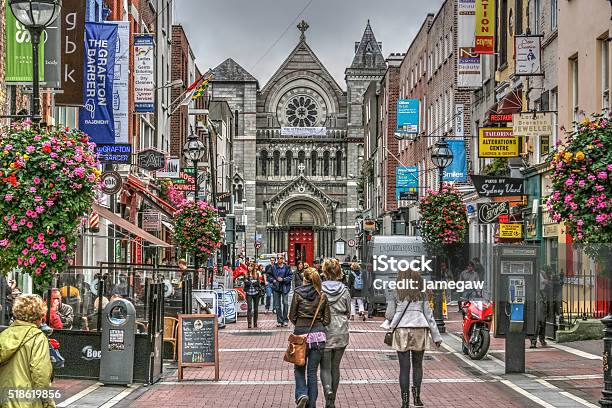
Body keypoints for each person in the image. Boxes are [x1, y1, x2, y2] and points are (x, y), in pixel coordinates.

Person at [383, 269, 442, 408]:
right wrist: (436, 336)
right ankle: (417, 398)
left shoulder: (397, 292)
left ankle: (405, 401)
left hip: (402, 330)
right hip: (419, 329)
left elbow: (389, 314)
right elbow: (429, 316)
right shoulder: (422, 293)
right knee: (417, 365)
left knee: (404, 368)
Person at [0, 294, 56, 408]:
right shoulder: (37, 338)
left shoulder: (4, 335)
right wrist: (47, 402)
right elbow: (40, 374)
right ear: (39, 316)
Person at [289, 268, 331, 408]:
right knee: (312, 373)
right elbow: (327, 319)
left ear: (304, 279)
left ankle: (302, 394)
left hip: (301, 334)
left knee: (299, 368)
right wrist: (318, 325)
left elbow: (292, 315)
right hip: (318, 336)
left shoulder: (297, 293)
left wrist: (300, 324)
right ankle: (311, 405)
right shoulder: (322, 295)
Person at [320, 259, 351, 408]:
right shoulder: (345, 290)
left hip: (325, 329)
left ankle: (327, 390)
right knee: (335, 366)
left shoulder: (319, 289)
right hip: (341, 329)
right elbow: (349, 311)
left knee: (325, 367)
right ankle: (331, 401)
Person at [268, 255, 293, 327]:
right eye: (278, 258)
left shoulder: (287, 267)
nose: (279, 259)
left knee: (285, 303)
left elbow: (290, 276)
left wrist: (283, 279)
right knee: (277, 305)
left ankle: (285, 320)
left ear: (283, 259)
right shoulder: (273, 267)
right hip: (276, 287)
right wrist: (273, 280)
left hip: (285, 287)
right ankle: (279, 321)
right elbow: (269, 275)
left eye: (281, 258)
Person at [531, 266, 551, 348]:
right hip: (536, 298)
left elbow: (547, 283)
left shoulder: (542, 273)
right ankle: (534, 340)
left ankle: (539, 339)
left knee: (541, 321)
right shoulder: (534, 273)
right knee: (537, 321)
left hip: (541, 298)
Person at [243, 264, 264, 328]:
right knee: (249, 308)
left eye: (251, 266)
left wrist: (250, 282)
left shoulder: (256, 274)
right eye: (249, 266)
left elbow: (258, 283)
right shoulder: (245, 274)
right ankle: (249, 323)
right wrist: (252, 282)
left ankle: (255, 323)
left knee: (256, 309)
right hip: (249, 293)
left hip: (256, 293)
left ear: (253, 267)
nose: (250, 267)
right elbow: (246, 283)